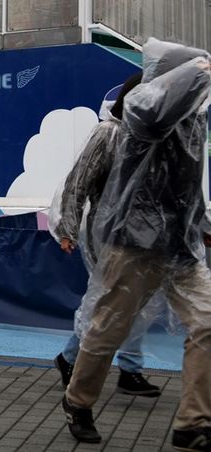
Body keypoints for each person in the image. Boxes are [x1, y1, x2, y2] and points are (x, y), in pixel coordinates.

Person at [61, 39, 211, 451]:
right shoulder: (141, 114)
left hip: (180, 247)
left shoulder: (194, 124)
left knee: (208, 323)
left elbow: (186, 190)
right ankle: (78, 400)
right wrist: (199, 70)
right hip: (134, 243)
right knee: (108, 329)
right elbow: (152, 108)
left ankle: (193, 423)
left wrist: (203, 225)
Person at [49, 72, 161, 398]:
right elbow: (78, 182)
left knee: (134, 300)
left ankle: (127, 367)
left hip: (143, 235)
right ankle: (74, 359)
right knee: (109, 301)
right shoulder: (108, 133)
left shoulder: (151, 136)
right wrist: (67, 228)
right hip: (108, 234)